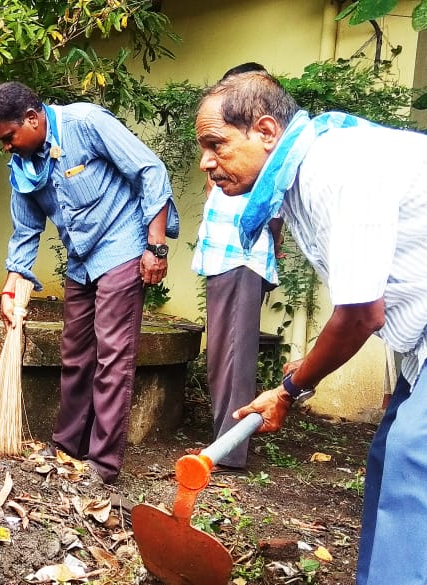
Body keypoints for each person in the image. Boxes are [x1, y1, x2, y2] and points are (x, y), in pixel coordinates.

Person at [195, 70, 427, 585]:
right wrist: (307, 367)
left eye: (216, 143)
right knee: (392, 455)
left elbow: (360, 315)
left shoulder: (337, 167)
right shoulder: (304, 178)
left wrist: (291, 388)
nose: (206, 161)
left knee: (422, 455)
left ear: (266, 131)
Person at [0, 81, 179, 484]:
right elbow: (25, 230)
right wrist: (11, 287)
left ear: (32, 119)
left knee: (112, 355)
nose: (7, 147)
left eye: (9, 137)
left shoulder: (86, 123)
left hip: (122, 244)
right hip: (81, 260)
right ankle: (67, 446)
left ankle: (103, 463)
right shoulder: (23, 163)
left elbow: (149, 169)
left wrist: (155, 247)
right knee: (75, 354)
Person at [191, 62, 283, 473]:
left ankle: (229, 451)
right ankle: (225, 442)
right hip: (222, 258)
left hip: (243, 259)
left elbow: (274, 217)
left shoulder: (257, 156)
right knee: (223, 354)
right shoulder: (226, 155)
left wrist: (270, 254)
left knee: (233, 355)